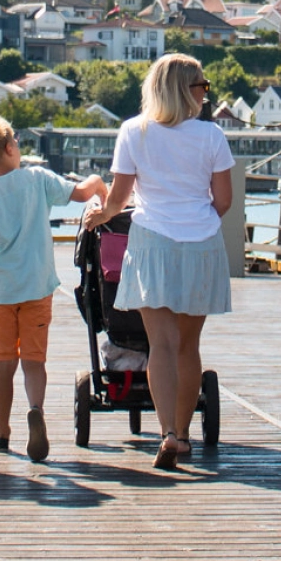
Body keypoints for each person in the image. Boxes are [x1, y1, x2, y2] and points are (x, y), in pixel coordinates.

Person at [81, 52, 233, 470]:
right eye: (202, 87)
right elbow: (223, 201)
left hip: (152, 243)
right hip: (200, 243)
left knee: (161, 345)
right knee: (188, 346)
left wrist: (102, 216)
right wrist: (196, 219)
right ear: (186, 91)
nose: (205, 95)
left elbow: (118, 199)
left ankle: (166, 433)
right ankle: (183, 436)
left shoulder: (135, 131)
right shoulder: (211, 137)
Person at [0, 117, 104, 461]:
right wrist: (98, 182)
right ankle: (36, 410)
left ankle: (1, 434)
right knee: (34, 362)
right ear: (11, 148)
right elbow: (82, 193)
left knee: (3, 363)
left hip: (2, 290)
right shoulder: (37, 179)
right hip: (38, 287)